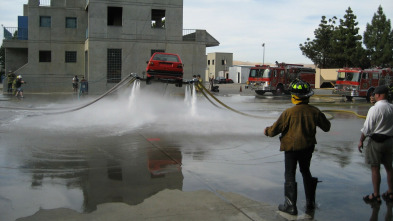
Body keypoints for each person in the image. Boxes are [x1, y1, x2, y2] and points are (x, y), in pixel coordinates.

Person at [264, 79, 331, 215]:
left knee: (290, 173)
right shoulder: (314, 111)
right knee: (305, 171)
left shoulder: (289, 112)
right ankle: (310, 203)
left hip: (291, 148)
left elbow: (273, 131)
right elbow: (327, 127)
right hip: (308, 147)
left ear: (294, 96)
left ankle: (290, 205)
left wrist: (267, 131)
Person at [359, 85, 393, 204]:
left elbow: (367, 128)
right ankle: (390, 192)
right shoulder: (391, 107)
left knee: (375, 168)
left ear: (378, 95)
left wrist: (361, 140)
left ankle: (376, 195)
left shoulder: (374, 109)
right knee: (389, 168)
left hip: (376, 142)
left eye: (374, 95)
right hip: (389, 141)